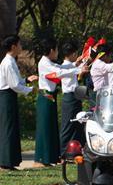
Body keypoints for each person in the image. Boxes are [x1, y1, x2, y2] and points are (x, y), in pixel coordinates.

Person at [35, 39, 84, 165]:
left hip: (50, 95)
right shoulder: (44, 63)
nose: (58, 53)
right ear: (51, 50)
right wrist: (78, 70)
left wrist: (76, 65)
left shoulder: (49, 62)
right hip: (45, 95)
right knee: (45, 127)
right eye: (56, 50)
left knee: (51, 126)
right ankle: (42, 158)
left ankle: (50, 158)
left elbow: (61, 67)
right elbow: (59, 72)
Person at [0, 35, 39, 169]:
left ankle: (10, 161)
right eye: (19, 44)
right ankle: (6, 162)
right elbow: (14, 85)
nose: (21, 47)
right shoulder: (8, 62)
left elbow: (16, 81)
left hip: (9, 96)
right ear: (13, 47)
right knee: (8, 128)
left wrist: (27, 80)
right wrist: (30, 90)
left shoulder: (11, 61)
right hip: (6, 97)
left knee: (12, 127)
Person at [58, 41, 87, 150]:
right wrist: (80, 69)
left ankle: (77, 149)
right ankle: (63, 150)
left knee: (78, 124)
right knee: (68, 125)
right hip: (69, 97)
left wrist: (79, 63)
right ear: (73, 54)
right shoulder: (64, 67)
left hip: (75, 96)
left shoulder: (69, 65)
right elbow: (71, 70)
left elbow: (73, 67)